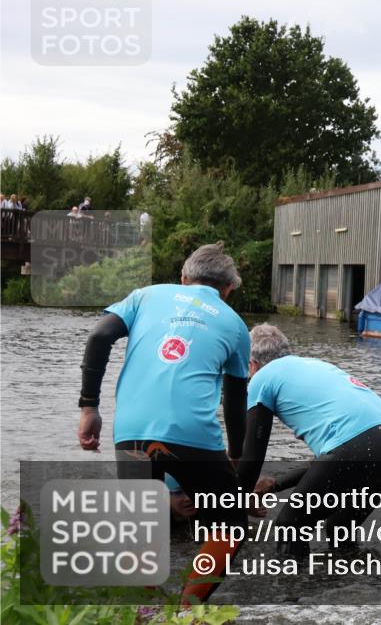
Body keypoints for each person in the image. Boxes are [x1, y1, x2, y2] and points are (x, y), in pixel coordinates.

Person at [76, 242, 251, 604]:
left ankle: (141, 612)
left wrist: (89, 407)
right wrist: (236, 453)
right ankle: (187, 610)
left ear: (183, 277)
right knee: (229, 524)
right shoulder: (235, 325)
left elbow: (99, 336)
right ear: (228, 289)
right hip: (193, 435)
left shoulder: (145, 295)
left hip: (132, 431)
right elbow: (235, 401)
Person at [237, 323, 381, 557]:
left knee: (290, 525)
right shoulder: (316, 366)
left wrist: (236, 502)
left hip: (358, 445)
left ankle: (292, 581)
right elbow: (332, 463)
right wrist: (275, 485)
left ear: (252, 364)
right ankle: (354, 576)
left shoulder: (262, 378)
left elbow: (252, 457)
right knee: (339, 527)